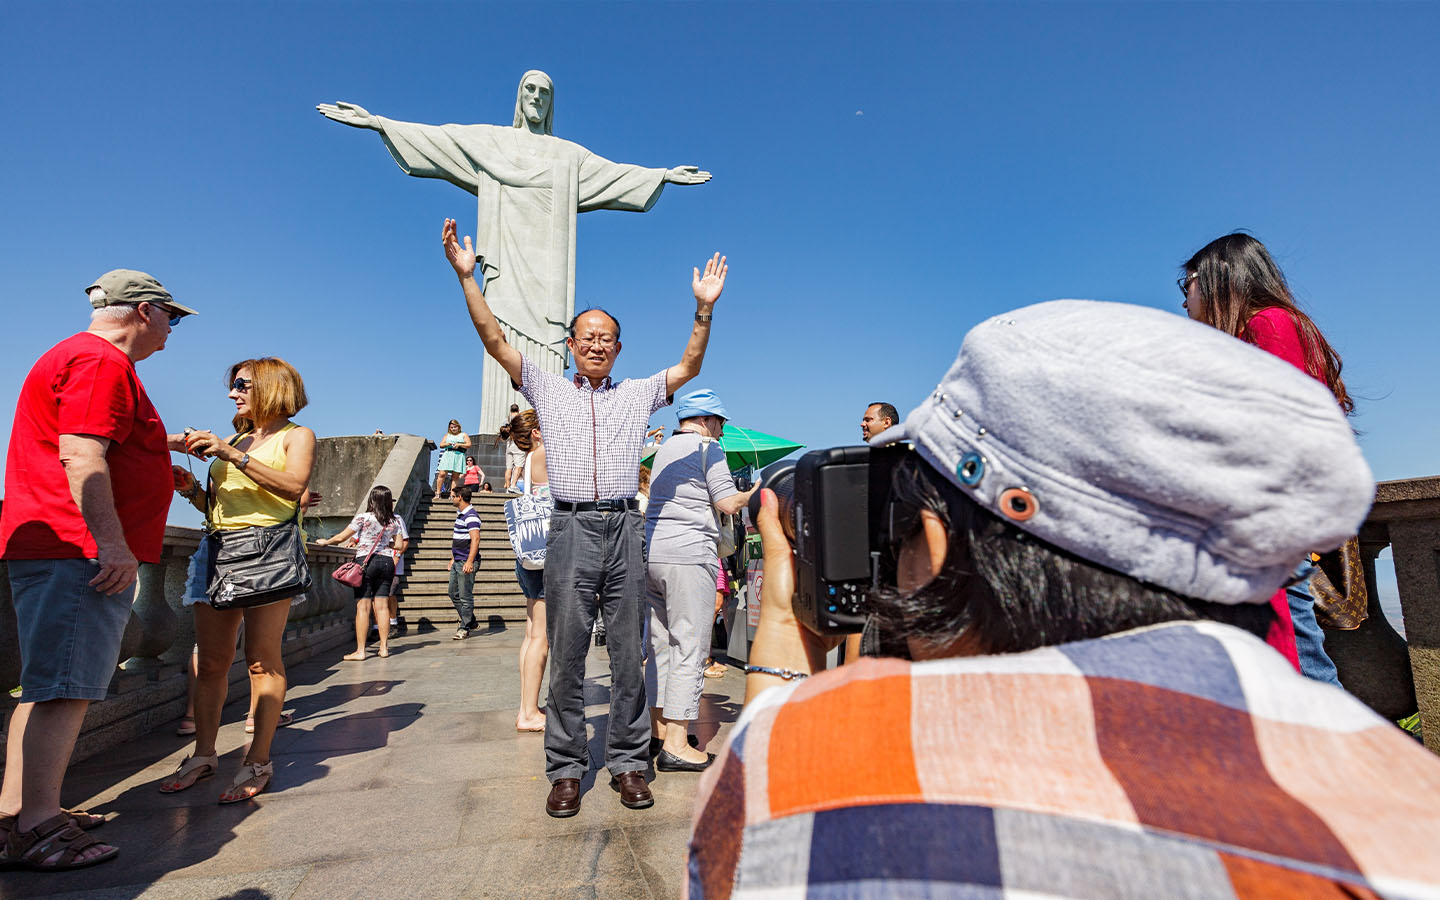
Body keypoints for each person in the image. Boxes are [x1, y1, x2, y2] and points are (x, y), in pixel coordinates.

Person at [683, 301, 1440, 899]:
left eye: (906, 527)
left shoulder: (806, 757)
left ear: (944, 544)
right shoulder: (1408, 805)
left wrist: (783, 625)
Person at [442, 216, 727, 817]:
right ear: (571, 345)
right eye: (587, 336)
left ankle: (628, 763)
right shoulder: (547, 388)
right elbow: (494, 341)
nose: (597, 344)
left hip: (625, 526)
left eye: (607, 338)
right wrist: (468, 279)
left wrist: (702, 311)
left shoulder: (638, 394)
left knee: (629, 653)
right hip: (568, 526)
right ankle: (567, 768)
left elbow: (689, 368)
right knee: (568, 652)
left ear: (618, 348)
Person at [318, 71, 712, 433]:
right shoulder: (493, 142)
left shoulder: (567, 155)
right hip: (505, 265)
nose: (537, 97)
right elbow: (440, 139)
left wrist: (661, 175)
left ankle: (541, 433)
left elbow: (614, 173)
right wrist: (378, 122)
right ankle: (499, 430)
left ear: (551, 102)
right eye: (530, 89)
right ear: (519, 97)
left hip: (550, 277)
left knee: (547, 343)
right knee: (500, 340)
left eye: (545, 92)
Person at [0, 270, 195, 870]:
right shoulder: (101, 363)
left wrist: (164, 458)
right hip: (75, 549)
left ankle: (21, 814)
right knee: (67, 690)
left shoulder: (77, 357)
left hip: (54, 546)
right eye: (173, 317)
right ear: (144, 310)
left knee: (47, 688)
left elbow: (101, 442)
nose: (173, 328)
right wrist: (110, 545)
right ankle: (36, 827)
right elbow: (80, 452)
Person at [1180, 232, 1352, 686]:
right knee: (1286, 653)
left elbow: (1278, 423)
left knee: (1297, 656)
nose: (1185, 300)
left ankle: (1336, 749)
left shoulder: (1268, 324)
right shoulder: (1277, 326)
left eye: (1188, 284)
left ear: (1221, 277)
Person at [160, 358, 316, 804]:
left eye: (242, 385)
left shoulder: (296, 436)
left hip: (266, 553)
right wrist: (192, 490)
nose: (233, 393)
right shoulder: (239, 437)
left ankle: (257, 759)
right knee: (209, 663)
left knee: (261, 661)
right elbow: (220, 509)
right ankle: (203, 754)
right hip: (219, 550)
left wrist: (231, 455)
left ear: (270, 386)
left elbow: (293, 487)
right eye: (233, 386)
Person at [644, 389, 758, 773]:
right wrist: (755, 492)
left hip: (653, 554)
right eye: (721, 424)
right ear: (708, 420)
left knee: (659, 645)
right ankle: (677, 745)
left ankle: (659, 733)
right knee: (690, 645)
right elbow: (727, 503)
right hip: (690, 555)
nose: (722, 432)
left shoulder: (662, 451)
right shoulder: (709, 449)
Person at [315, 486, 406, 659]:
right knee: (382, 606)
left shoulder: (364, 518)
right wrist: (387, 546)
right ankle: (384, 648)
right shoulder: (394, 521)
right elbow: (400, 546)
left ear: (372, 500)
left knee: (363, 607)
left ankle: (361, 651)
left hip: (366, 562)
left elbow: (342, 537)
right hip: (387, 562)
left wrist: (325, 542)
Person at [510, 409, 550, 731]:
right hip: (545, 554)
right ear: (537, 432)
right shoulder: (544, 454)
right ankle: (529, 713)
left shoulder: (526, 462)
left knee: (530, 632)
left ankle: (526, 705)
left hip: (527, 555)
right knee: (542, 637)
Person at [447, 485, 482, 639]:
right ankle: (471, 621)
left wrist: (469, 561)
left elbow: (475, 539)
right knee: (452, 592)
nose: (451, 498)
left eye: (452, 496)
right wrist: (453, 558)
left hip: (466, 562)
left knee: (465, 596)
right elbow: (460, 540)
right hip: (458, 560)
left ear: (459, 497)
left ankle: (465, 627)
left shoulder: (471, 515)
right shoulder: (461, 514)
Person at [435, 419, 470, 497]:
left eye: (455, 427)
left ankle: (452, 494)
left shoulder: (463, 435)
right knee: (442, 474)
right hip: (448, 454)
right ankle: (438, 493)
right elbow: (441, 445)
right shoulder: (447, 435)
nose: (453, 429)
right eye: (451, 427)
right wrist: (448, 443)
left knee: (455, 476)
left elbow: (468, 444)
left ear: (458, 427)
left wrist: (459, 444)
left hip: (458, 454)